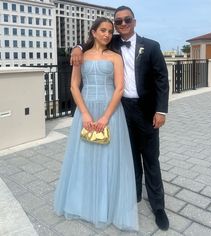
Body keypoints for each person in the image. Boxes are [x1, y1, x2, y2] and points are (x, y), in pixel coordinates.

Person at [71, 6, 170, 231]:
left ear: (134, 22)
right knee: (129, 157)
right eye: (119, 22)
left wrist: (161, 111)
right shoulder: (112, 41)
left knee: (151, 159)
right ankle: (131, 197)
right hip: (121, 109)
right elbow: (89, 43)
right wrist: (76, 47)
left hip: (146, 111)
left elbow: (162, 80)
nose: (123, 24)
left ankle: (159, 208)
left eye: (127, 20)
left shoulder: (152, 46)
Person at [54, 17, 139, 231]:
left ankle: (105, 205)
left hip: (110, 111)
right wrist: (84, 113)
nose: (107, 34)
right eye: (103, 30)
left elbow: (119, 88)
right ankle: (83, 203)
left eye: (110, 31)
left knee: (108, 158)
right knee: (84, 156)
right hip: (86, 111)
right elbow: (74, 86)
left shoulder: (115, 57)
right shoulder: (81, 55)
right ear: (93, 32)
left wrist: (104, 117)